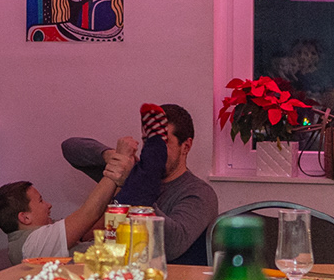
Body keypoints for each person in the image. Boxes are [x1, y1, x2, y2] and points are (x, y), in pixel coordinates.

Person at [61, 103, 219, 265]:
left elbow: (172, 246)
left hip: (157, 273)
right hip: (107, 262)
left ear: (186, 146)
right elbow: (70, 148)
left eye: (162, 142)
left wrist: (134, 186)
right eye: (147, 141)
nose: (152, 148)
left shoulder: (199, 192)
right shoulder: (133, 172)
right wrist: (111, 156)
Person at [0, 141, 138, 265]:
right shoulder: (30, 245)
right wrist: (120, 161)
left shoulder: (47, 232)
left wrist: (116, 166)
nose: (48, 205)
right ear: (25, 217)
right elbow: (89, 213)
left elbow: (94, 224)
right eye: (40, 201)